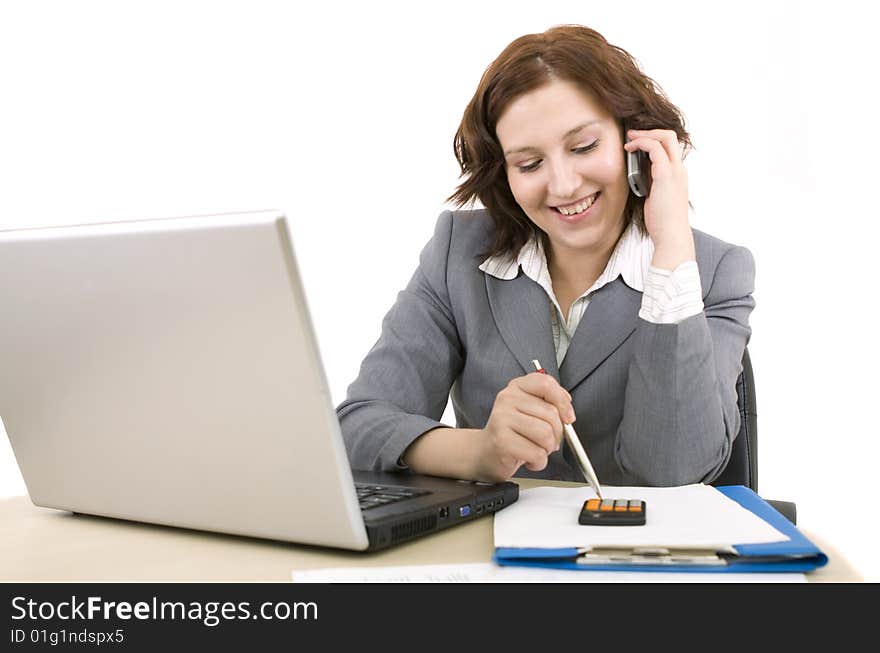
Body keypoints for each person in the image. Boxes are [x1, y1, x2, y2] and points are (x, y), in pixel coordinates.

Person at [336, 24, 755, 487]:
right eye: (529, 164)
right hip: (491, 551)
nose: (563, 185)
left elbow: (674, 470)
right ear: (505, 174)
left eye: (584, 147)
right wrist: (480, 451)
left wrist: (672, 247)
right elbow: (356, 427)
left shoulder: (715, 272)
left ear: (634, 143)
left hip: (632, 553)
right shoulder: (459, 252)